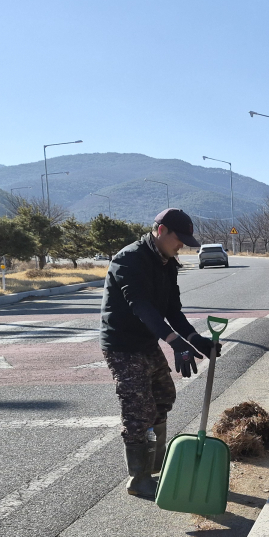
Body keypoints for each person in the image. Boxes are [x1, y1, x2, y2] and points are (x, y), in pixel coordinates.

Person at [100, 208, 220, 498]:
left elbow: (171, 310)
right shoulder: (128, 260)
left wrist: (195, 340)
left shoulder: (167, 263)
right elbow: (141, 308)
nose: (182, 246)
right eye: (179, 239)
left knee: (164, 396)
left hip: (146, 342)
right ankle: (138, 479)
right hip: (122, 345)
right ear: (162, 230)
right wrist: (174, 343)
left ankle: (155, 468)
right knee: (138, 409)